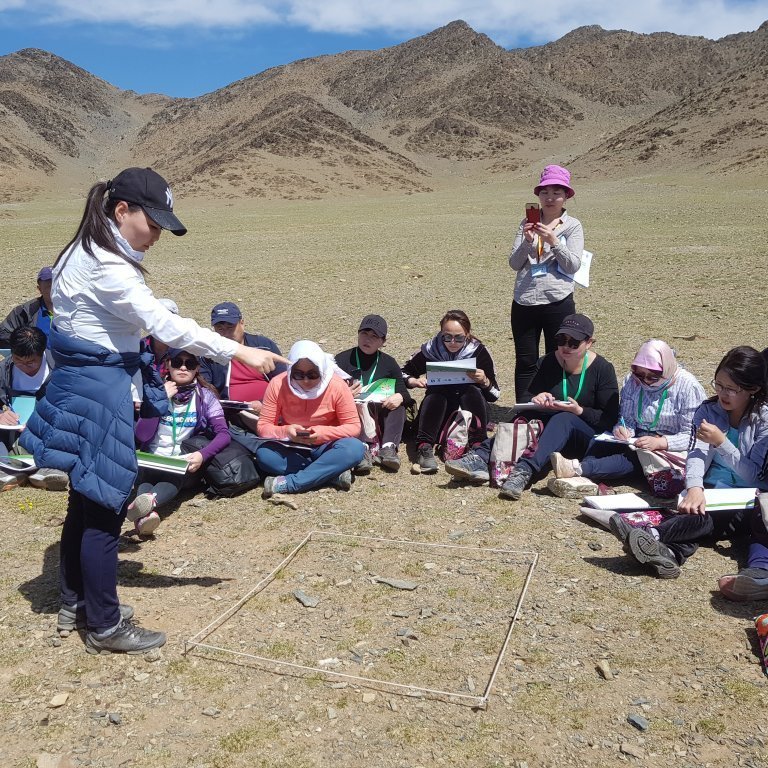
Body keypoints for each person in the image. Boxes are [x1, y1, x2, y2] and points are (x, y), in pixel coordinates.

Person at [21, 167, 287, 653]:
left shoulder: (81, 249)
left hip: (79, 382)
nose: (158, 236)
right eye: (154, 223)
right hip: (100, 391)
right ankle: (104, 625)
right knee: (107, 508)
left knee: (85, 498)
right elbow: (164, 323)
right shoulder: (109, 265)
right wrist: (240, 351)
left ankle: (76, 601)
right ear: (122, 210)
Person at [607, 346, 768, 579]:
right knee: (698, 510)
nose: (723, 394)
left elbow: (755, 476)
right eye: (719, 385)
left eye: (732, 389)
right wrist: (694, 488)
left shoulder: (763, 420)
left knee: (708, 516)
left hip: (748, 499)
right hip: (712, 490)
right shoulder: (709, 411)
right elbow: (697, 455)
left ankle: (653, 535)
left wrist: (722, 442)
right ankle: (668, 554)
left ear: (753, 389)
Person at [445, 313, 618, 499]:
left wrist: (579, 410)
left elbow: (608, 419)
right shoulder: (548, 361)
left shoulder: (603, 369)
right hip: (551, 431)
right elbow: (526, 398)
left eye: (574, 343)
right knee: (525, 416)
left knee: (564, 418)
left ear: (589, 342)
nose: (566, 347)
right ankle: (480, 456)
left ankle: (524, 471)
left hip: (584, 435)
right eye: (561, 340)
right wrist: (537, 398)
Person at [549, 339, 706, 493]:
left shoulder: (688, 387)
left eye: (653, 377)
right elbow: (626, 418)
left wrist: (660, 442)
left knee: (634, 458)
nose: (645, 381)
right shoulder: (632, 381)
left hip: (665, 445)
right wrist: (623, 429)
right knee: (599, 443)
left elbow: (693, 436)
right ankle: (584, 476)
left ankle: (579, 469)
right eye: (640, 374)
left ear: (667, 369)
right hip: (636, 438)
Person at [130, 349, 231, 536]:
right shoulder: (154, 391)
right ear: (168, 364)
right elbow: (142, 435)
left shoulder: (205, 396)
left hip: (185, 461)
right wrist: (161, 399)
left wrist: (202, 455)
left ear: (197, 369)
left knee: (174, 475)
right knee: (148, 475)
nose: (183, 368)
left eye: (190, 364)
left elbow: (224, 434)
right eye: (177, 363)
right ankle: (145, 515)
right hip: (152, 458)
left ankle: (146, 503)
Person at [509, 165, 584, 399]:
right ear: (538, 196)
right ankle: (524, 410)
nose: (550, 198)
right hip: (524, 301)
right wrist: (527, 241)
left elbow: (573, 265)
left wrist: (554, 241)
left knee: (558, 357)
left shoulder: (572, 226)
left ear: (566, 196)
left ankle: (553, 409)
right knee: (525, 361)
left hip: (557, 301)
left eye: (556, 193)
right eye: (545, 192)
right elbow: (514, 263)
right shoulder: (526, 223)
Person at [255, 340, 365, 496]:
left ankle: (292, 483)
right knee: (265, 455)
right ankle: (330, 474)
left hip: (327, 446)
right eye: (298, 374)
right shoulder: (277, 384)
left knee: (354, 448)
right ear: (290, 370)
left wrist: (321, 433)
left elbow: (353, 426)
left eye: (312, 375)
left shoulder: (337, 385)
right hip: (294, 447)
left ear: (321, 369)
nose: (305, 381)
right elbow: (263, 426)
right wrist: (287, 431)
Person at [402, 309, 499, 474]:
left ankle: (478, 446)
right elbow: (402, 372)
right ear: (441, 333)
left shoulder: (479, 351)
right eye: (447, 337)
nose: (453, 342)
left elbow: (495, 395)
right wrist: (413, 381)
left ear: (467, 334)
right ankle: (424, 447)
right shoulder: (430, 349)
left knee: (471, 390)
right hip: (438, 413)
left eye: (459, 338)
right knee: (437, 392)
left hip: (470, 410)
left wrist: (484, 381)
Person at [200, 301, 286, 447]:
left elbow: (283, 381)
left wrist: (263, 403)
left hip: (271, 408)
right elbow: (205, 387)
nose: (225, 333)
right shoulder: (208, 355)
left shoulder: (263, 345)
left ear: (242, 323)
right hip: (234, 416)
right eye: (220, 328)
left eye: (230, 327)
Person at [335, 314, 414, 473]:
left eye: (374, 336)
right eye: (364, 333)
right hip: (354, 414)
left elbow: (404, 394)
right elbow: (328, 393)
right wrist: (345, 394)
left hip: (379, 415)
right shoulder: (342, 360)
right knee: (354, 407)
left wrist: (399, 397)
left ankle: (388, 449)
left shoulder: (389, 363)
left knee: (398, 407)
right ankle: (361, 450)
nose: (368, 339)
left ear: (383, 342)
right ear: (358, 334)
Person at [0, 326, 68, 491]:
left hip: (49, 431)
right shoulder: (5, 369)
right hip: (15, 432)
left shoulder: (61, 368)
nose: (24, 366)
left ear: (42, 352)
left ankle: (46, 471)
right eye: (18, 360)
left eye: (30, 362)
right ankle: (7, 469)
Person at [0, 266, 55, 347]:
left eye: (59, 285)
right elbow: (3, 334)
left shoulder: (74, 309)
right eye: (49, 286)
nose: (55, 290)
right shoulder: (26, 310)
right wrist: (25, 342)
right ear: (40, 289)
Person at [140, 298, 180, 377]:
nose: (162, 323)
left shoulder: (182, 349)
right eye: (157, 319)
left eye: (167, 319)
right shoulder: (139, 346)